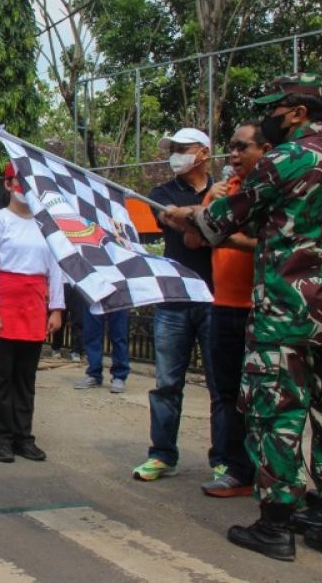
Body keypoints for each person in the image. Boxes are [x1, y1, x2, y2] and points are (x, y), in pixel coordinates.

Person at [164, 74, 322, 566]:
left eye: (274, 110)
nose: (269, 119)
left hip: (287, 307)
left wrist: (184, 217)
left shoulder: (283, 158)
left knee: (276, 411)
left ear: (297, 112)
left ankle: (275, 524)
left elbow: (221, 221)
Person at [133, 127, 216, 483]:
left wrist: (188, 215)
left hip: (217, 298)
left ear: (204, 153)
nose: (176, 155)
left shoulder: (225, 189)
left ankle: (226, 459)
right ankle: (162, 454)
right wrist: (205, 213)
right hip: (175, 298)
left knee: (221, 384)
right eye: (174, 149)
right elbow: (194, 234)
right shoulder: (161, 193)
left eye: (184, 149)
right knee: (167, 383)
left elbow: (203, 228)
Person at [197, 122, 270, 499]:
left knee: (262, 395)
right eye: (232, 147)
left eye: (243, 147)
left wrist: (231, 236)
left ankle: (268, 470)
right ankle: (233, 467)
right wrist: (211, 202)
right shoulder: (224, 192)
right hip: (222, 307)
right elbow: (196, 237)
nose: (235, 155)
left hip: (263, 310)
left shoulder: (269, 192)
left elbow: (276, 245)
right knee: (225, 392)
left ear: (265, 149)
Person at [0, 163, 64, 462]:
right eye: (18, 181)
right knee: (3, 375)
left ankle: (23, 436)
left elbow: (56, 267)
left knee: (26, 377)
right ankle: (1, 438)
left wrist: (56, 309)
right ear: (7, 184)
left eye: (29, 182)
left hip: (33, 305)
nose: (23, 187)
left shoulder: (46, 224)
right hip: (3, 304)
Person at [74, 304, 130, 393]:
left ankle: (120, 376)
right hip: (93, 294)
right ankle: (94, 373)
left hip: (117, 294)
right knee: (92, 333)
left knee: (118, 333)